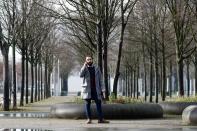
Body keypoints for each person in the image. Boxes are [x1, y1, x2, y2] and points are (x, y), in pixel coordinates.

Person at [80, 56, 109, 124]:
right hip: (87, 89)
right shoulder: (84, 68)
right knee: (87, 104)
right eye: (87, 59)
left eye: (90, 59)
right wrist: (84, 66)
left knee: (98, 104)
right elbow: (80, 75)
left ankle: (100, 119)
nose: (89, 60)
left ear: (92, 60)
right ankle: (89, 119)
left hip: (96, 89)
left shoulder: (96, 68)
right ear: (86, 61)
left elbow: (100, 79)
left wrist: (103, 89)